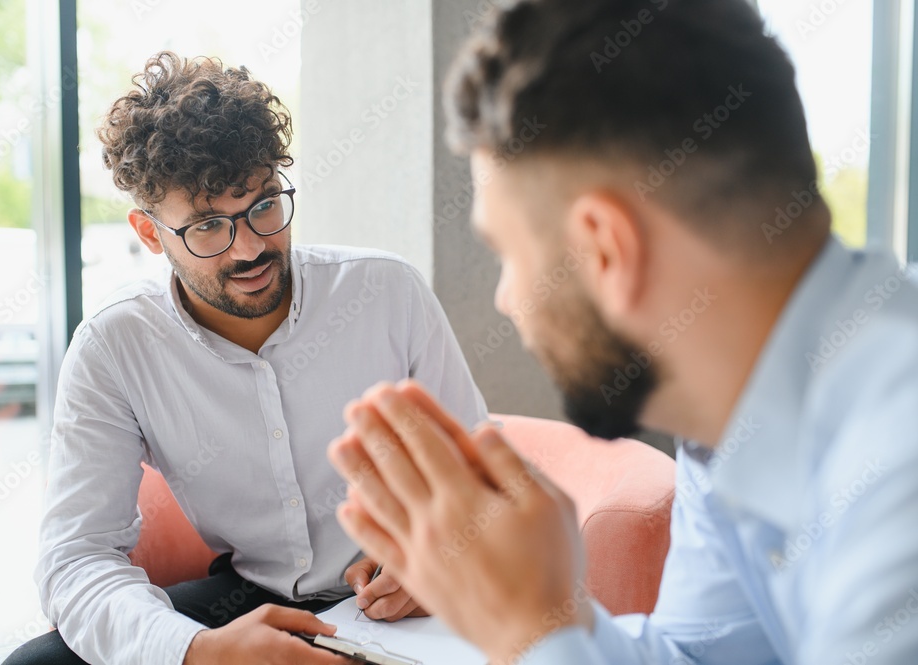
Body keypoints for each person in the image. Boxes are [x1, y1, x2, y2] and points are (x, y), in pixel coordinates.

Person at [327, 1, 918, 664]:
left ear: (606, 249)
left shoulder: (897, 470)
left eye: (508, 255)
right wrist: (547, 611)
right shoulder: (726, 427)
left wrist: (528, 631)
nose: (507, 300)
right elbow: (702, 656)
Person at [5, 51, 486, 665]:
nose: (251, 248)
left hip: (397, 605)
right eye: (208, 226)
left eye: (263, 205)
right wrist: (199, 651)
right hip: (246, 601)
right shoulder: (114, 346)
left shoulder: (387, 292)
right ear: (150, 233)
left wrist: (437, 557)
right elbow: (76, 556)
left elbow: (480, 474)